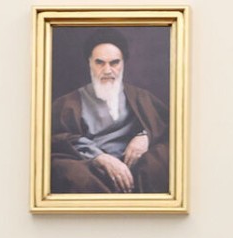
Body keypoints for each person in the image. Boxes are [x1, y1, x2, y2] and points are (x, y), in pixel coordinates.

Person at [50, 29, 171, 193]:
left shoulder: (141, 97)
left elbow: (167, 126)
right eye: (99, 63)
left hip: (135, 166)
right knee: (71, 173)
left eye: (114, 63)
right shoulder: (67, 103)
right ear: (89, 63)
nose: (107, 70)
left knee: (161, 158)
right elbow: (57, 139)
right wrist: (100, 157)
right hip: (90, 166)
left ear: (123, 64)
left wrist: (145, 137)